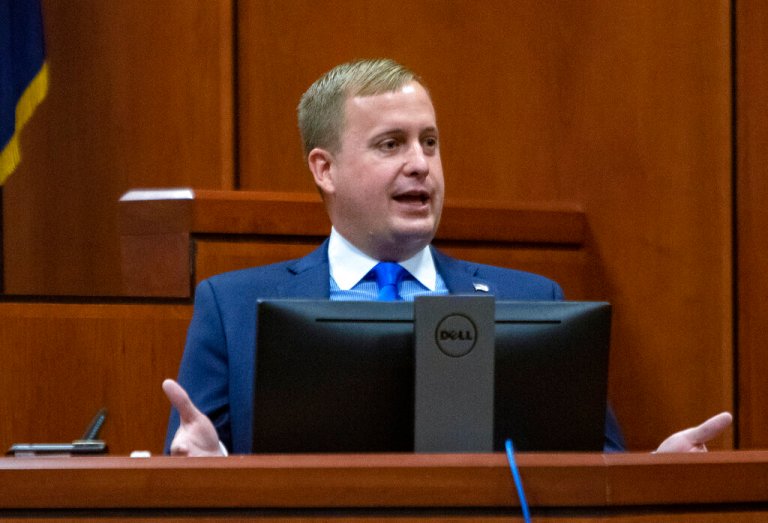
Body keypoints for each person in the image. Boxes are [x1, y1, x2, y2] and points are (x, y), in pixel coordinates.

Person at [163, 58, 732, 456]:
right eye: (391, 144)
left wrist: (650, 472)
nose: (420, 164)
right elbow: (190, 469)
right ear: (324, 168)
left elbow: (595, 467)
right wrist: (206, 470)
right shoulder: (231, 307)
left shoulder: (531, 301)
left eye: (429, 142)